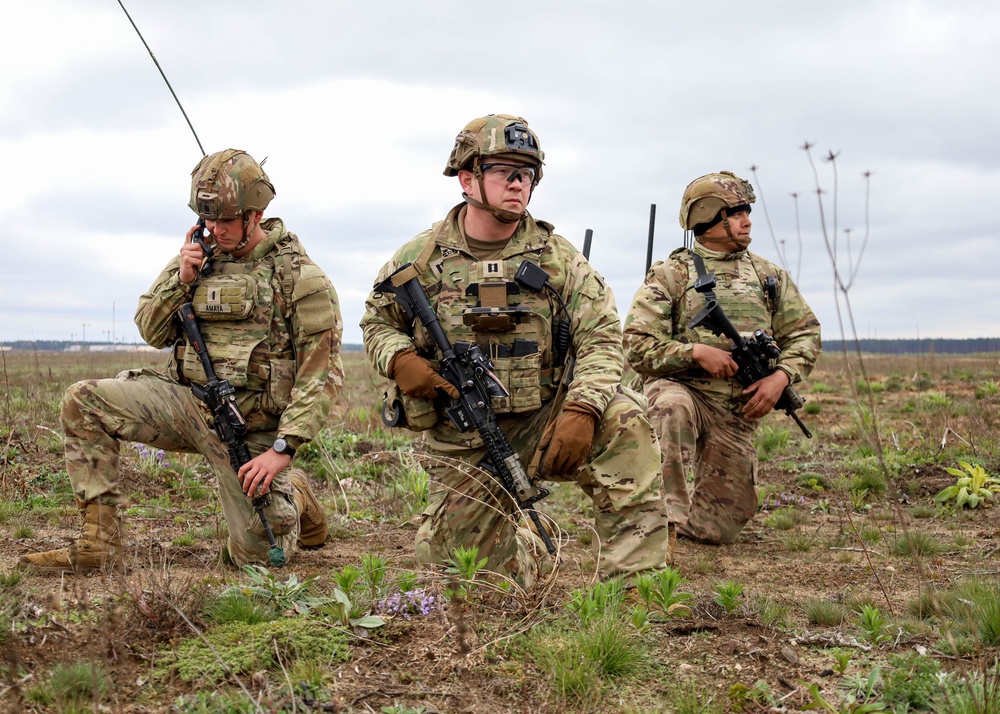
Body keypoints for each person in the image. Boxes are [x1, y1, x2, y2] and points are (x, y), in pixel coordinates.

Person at [361, 114, 669, 583]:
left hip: (546, 418)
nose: (518, 184)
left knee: (626, 417)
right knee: (469, 580)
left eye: (526, 175)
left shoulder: (559, 260)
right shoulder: (418, 260)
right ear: (467, 178)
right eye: (506, 172)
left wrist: (583, 409)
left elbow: (603, 336)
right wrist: (400, 359)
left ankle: (635, 588)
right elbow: (377, 321)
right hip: (464, 436)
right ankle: (524, 534)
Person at [20, 149, 343, 573]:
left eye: (226, 220)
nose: (216, 230)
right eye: (208, 220)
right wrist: (182, 280)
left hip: (250, 432)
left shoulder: (300, 277)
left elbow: (321, 375)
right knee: (83, 400)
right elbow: (151, 331)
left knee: (255, 561)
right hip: (185, 403)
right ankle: (99, 546)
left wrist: (283, 451)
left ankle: (294, 494)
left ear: (256, 213)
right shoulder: (196, 258)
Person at [623, 170, 821, 546]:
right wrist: (695, 353)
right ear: (707, 218)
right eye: (735, 213)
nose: (747, 221)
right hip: (684, 392)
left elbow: (806, 334)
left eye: (747, 211)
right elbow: (636, 344)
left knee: (720, 529)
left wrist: (781, 377)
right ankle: (658, 525)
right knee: (670, 407)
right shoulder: (672, 274)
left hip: (736, 407)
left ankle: (687, 528)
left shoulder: (768, 276)